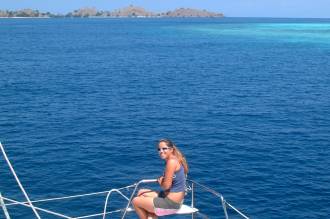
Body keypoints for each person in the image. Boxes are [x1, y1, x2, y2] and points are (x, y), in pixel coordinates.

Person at [132, 139, 189, 219]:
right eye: (159, 149)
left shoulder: (171, 162)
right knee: (141, 192)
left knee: (135, 201)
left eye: (164, 148)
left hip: (171, 204)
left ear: (171, 149)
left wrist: (161, 181)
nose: (161, 151)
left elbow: (166, 186)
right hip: (172, 198)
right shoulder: (174, 159)